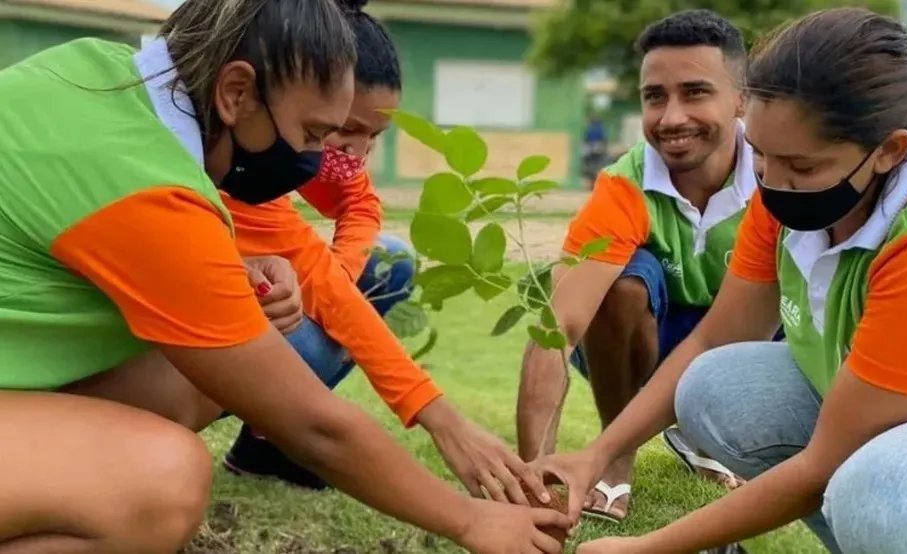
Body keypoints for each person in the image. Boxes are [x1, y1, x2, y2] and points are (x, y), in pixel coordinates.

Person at [0, 1, 570, 552]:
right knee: (161, 480)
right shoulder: (145, 187)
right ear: (236, 93)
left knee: (199, 375)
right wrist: (472, 521)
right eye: (313, 134)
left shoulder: (92, 71)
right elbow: (315, 428)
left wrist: (233, 271)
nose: (318, 159)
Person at [533, 7, 907, 554]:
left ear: (887, 151)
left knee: (879, 492)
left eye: (802, 166)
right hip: (904, 409)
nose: (771, 180)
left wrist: (651, 546)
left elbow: (825, 462)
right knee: (715, 386)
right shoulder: (786, 189)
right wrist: (600, 453)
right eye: (762, 154)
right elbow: (712, 338)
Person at [220, 0, 544, 503]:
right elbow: (328, 292)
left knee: (387, 262)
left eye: (373, 136)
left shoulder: (278, 157)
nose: (355, 152)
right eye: (339, 130)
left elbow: (360, 207)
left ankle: (266, 443)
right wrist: (441, 421)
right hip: (175, 347)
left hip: (235, 304)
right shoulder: (238, 172)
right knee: (325, 327)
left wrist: (340, 270)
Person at [516, 9, 757, 524]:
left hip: (744, 341)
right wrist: (532, 479)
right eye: (654, 97)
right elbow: (557, 329)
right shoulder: (623, 184)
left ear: (742, 99)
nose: (670, 117)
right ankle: (617, 456)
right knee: (622, 286)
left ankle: (706, 439)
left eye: (695, 92)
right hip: (645, 344)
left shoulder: (779, 174)